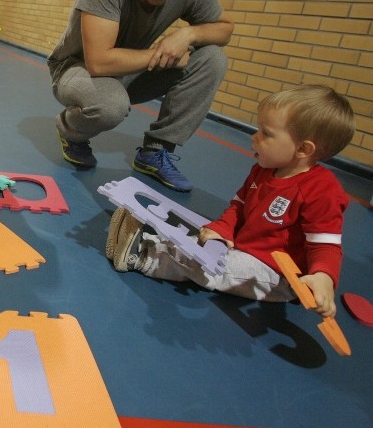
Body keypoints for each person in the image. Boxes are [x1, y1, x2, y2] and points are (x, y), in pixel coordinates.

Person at [106, 85, 355, 317]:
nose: (254, 137)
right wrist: (223, 228)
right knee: (202, 236)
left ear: (303, 150)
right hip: (241, 246)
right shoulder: (263, 170)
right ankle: (150, 241)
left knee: (216, 268)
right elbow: (238, 207)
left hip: (275, 275)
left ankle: (142, 257)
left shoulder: (322, 190)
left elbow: (326, 245)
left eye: (266, 133)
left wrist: (323, 276)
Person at [47, 0, 233, 192]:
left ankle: (155, 151)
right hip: (76, 70)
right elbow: (99, 63)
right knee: (110, 106)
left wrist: (189, 33)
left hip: (130, 73)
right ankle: (71, 130)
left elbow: (224, 28)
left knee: (212, 58)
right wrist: (164, 54)